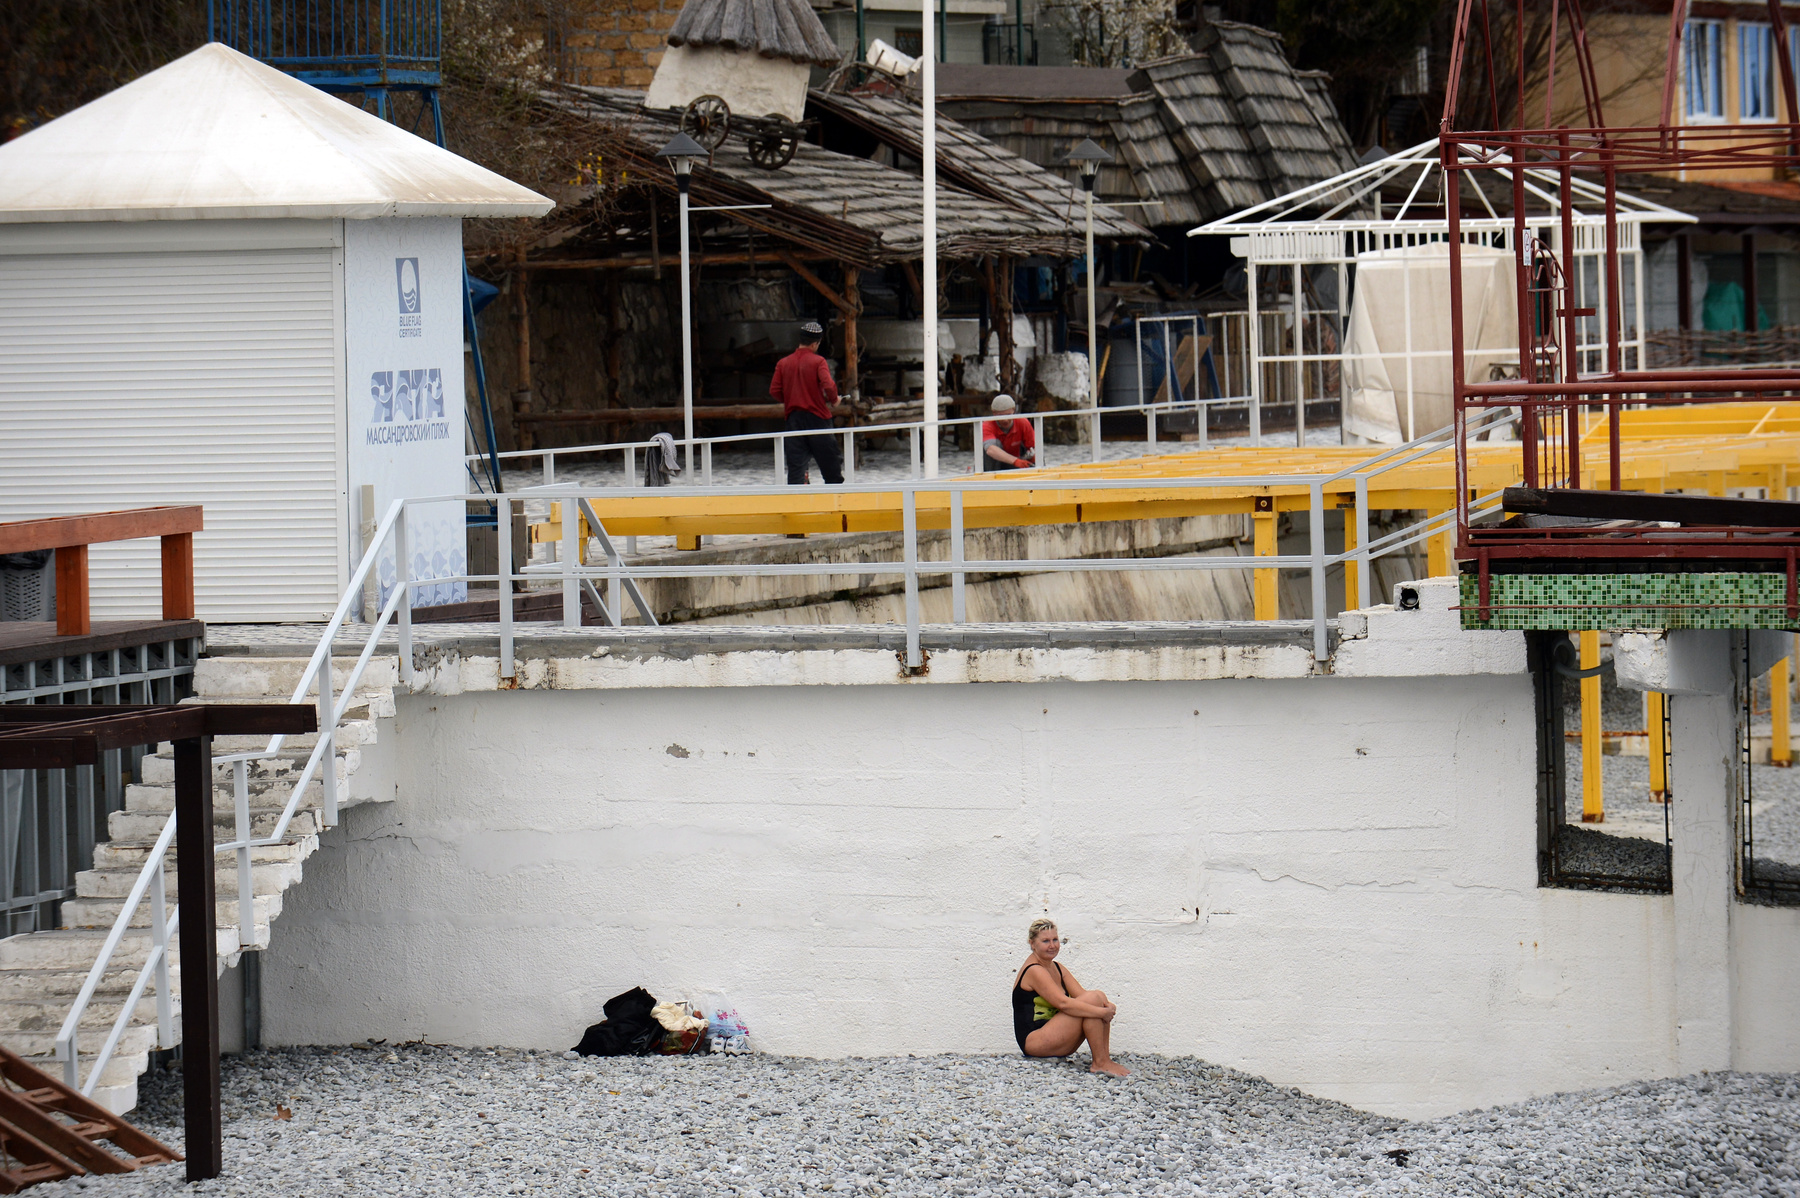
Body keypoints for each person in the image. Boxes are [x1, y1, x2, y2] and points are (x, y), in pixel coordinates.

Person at [1011, 918, 1128, 1076]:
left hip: (1054, 1034)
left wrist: (1108, 1005)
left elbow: (1083, 996)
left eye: (1055, 940)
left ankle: (1103, 1059)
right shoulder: (1034, 970)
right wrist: (1102, 1012)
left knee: (1097, 996)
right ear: (1032, 944)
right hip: (1034, 1041)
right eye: (1045, 941)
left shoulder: (1057, 967)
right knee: (1094, 1003)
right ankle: (1100, 1062)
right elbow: (1063, 1003)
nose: (1052, 945)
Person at [770, 321, 845, 486]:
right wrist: (834, 400)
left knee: (796, 470)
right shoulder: (818, 362)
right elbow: (828, 384)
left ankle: (797, 506)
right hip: (818, 419)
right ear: (815, 343)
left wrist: (791, 399)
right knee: (831, 467)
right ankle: (836, 505)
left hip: (794, 420)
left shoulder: (783, 363)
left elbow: (774, 390)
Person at [981, 394, 1036, 470]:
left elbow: (1033, 447)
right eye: (1001, 416)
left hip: (1017, 461)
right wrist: (1015, 461)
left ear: (1013, 410)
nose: (1005, 420)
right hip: (994, 465)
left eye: (1008, 415)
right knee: (993, 446)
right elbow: (991, 450)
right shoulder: (987, 425)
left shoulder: (1022, 422)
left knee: (1033, 453)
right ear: (994, 413)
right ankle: (990, 478)